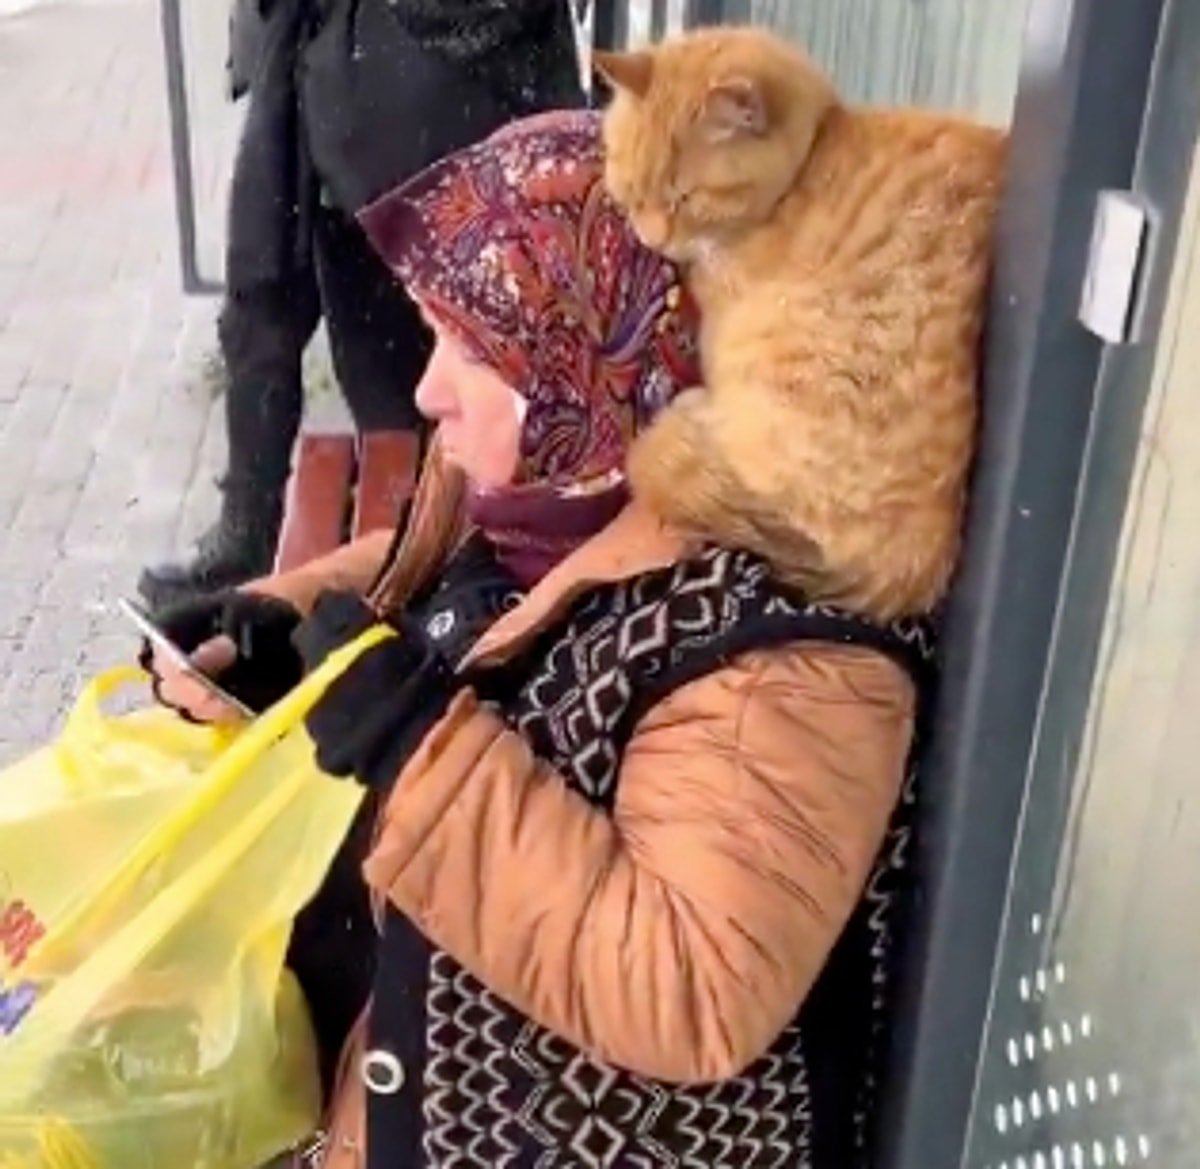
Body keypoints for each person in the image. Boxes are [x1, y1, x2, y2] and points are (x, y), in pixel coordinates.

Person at [143, 110, 933, 1168]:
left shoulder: (784, 647)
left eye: (474, 348)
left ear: (597, 349)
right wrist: (289, 622)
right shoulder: (565, 483)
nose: (426, 391)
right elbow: (504, 597)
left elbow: (690, 987)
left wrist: (413, 748)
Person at [138, 0, 586, 609]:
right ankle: (258, 532)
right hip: (329, 60)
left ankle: (445, 555)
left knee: (438, 338)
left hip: (442, 82)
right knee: (281, 298)